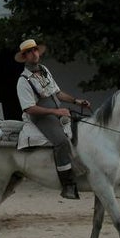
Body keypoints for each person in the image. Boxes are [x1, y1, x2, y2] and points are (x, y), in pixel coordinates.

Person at [15, 38, 92, 200]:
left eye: (35, 50)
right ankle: (68, 185)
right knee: (61, 141)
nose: (34, 54)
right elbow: (29, 108)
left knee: (81, 128)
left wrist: (76, 101)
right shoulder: (23, 81)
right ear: (24, 57)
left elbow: (57, 93)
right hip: (40, 117)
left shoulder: (44, 70)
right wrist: (55, 112)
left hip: (57, 110)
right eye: (29, 52)